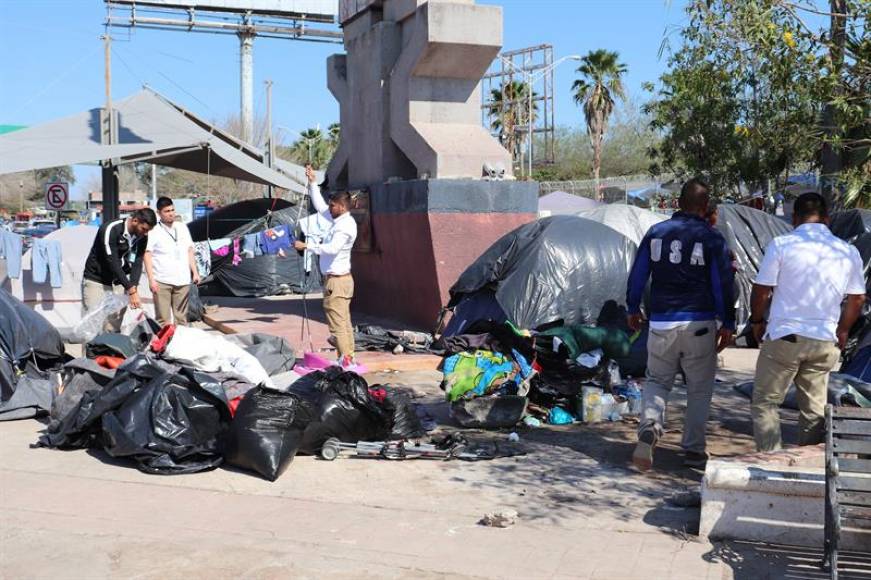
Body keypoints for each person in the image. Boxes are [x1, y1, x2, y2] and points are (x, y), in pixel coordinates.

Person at [626, 178, 736, 471]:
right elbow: (722, 284)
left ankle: (650, 427)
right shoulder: (712, 238)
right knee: (699, 389)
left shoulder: (656, 232)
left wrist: (632, 307)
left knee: (657, 380)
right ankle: (694, 450)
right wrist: (728, 321)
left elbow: (638, 275)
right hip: (699, 323)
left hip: (662, 322)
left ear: (678, 203)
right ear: (705, 206)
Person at [749, 192, 865, 452]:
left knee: (765, 402)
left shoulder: (782, 245)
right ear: (827, 219)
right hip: (824, 340)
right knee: (814, 411)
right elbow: (857, 299)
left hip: (785, 336)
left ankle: (771, 461)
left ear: (794, 218)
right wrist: (843, 330)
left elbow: (762, 290)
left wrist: (757, 321)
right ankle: (809, 466)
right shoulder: (847, 251)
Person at [294, 165, 358, 366]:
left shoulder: (344, 226)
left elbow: (332, 248)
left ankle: (345, 360)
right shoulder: (338, 219)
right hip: (340, 280)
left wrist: (307, 246)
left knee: (337, 324)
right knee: (344, 321)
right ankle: (348, 357)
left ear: (342, 207)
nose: (329, 208)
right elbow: (320, 205)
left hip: (336, 282)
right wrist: (313, 182)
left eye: (333, 206)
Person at [82, 208, 157, 332]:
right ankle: (91, 346)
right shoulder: (110, 229)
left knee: (113, 325)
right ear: (135, 221)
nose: (145, 233)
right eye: (144, 229)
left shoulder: (142, 236)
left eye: (148, 231)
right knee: (93, 324)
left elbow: (137, 262)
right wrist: (131, 290)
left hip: (119, 282)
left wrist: (133, 286)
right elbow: (112, 262)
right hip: (97, 280)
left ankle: (110, 344)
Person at [143, 197, 199, 327]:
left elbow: (189, 250)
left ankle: (180, 339)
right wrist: (151, 280)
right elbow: (147, 254)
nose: (171, 213)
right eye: (167, 211)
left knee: (181, 319)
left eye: (172, 210)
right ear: (159, 213)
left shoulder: (182, 227)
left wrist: (195, 272)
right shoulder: (154, 230)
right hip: (162, 280)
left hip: (183, 280)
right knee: (163, 320)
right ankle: (165, 340)